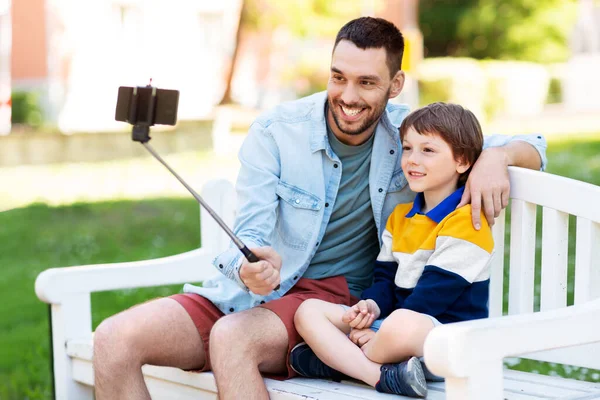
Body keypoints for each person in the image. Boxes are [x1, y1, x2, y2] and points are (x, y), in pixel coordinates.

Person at [92, 17, 546, 400]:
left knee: (233, 340)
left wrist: (496, 157)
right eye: (338, 77)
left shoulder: (410, 137)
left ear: (395, 85)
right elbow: (247, 236)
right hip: (247, 296)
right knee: (113, 340)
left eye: (367, 82)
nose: (348, 96)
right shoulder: (276, 130)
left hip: (330, 303)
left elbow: (535, 146)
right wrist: (248, 265)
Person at [289, 102, 492, 398]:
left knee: (402, 323)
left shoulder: (467, 223)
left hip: (445, 343)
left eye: (428, 150)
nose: (412, 159)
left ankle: (341, 363)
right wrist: (371, 307)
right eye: (407, 148)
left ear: (462, 161)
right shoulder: (400, 218)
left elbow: (431, 299)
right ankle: (381, 375)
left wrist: (377, 337)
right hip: (395, 331)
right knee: (308, 311)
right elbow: (385, 280)